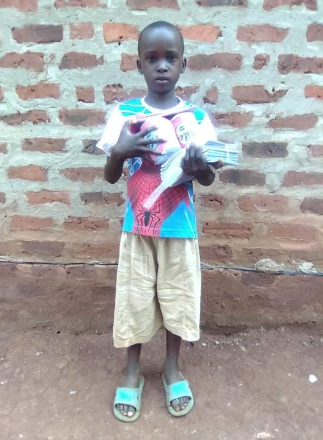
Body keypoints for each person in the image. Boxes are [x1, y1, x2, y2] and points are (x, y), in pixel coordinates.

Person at [97, 21, 222, 422]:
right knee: (134, 297)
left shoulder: (196, 118)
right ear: (139, 65)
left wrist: (200, 166)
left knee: (176, 297)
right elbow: (110, 175)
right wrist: (120, 150)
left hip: (178, 229)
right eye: (152, 58)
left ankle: (171, 367)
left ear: (183, 64)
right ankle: (132, 370)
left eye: (170, 58)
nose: (162, 66)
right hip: (137, 228)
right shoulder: (125, 114)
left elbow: (206, 178)